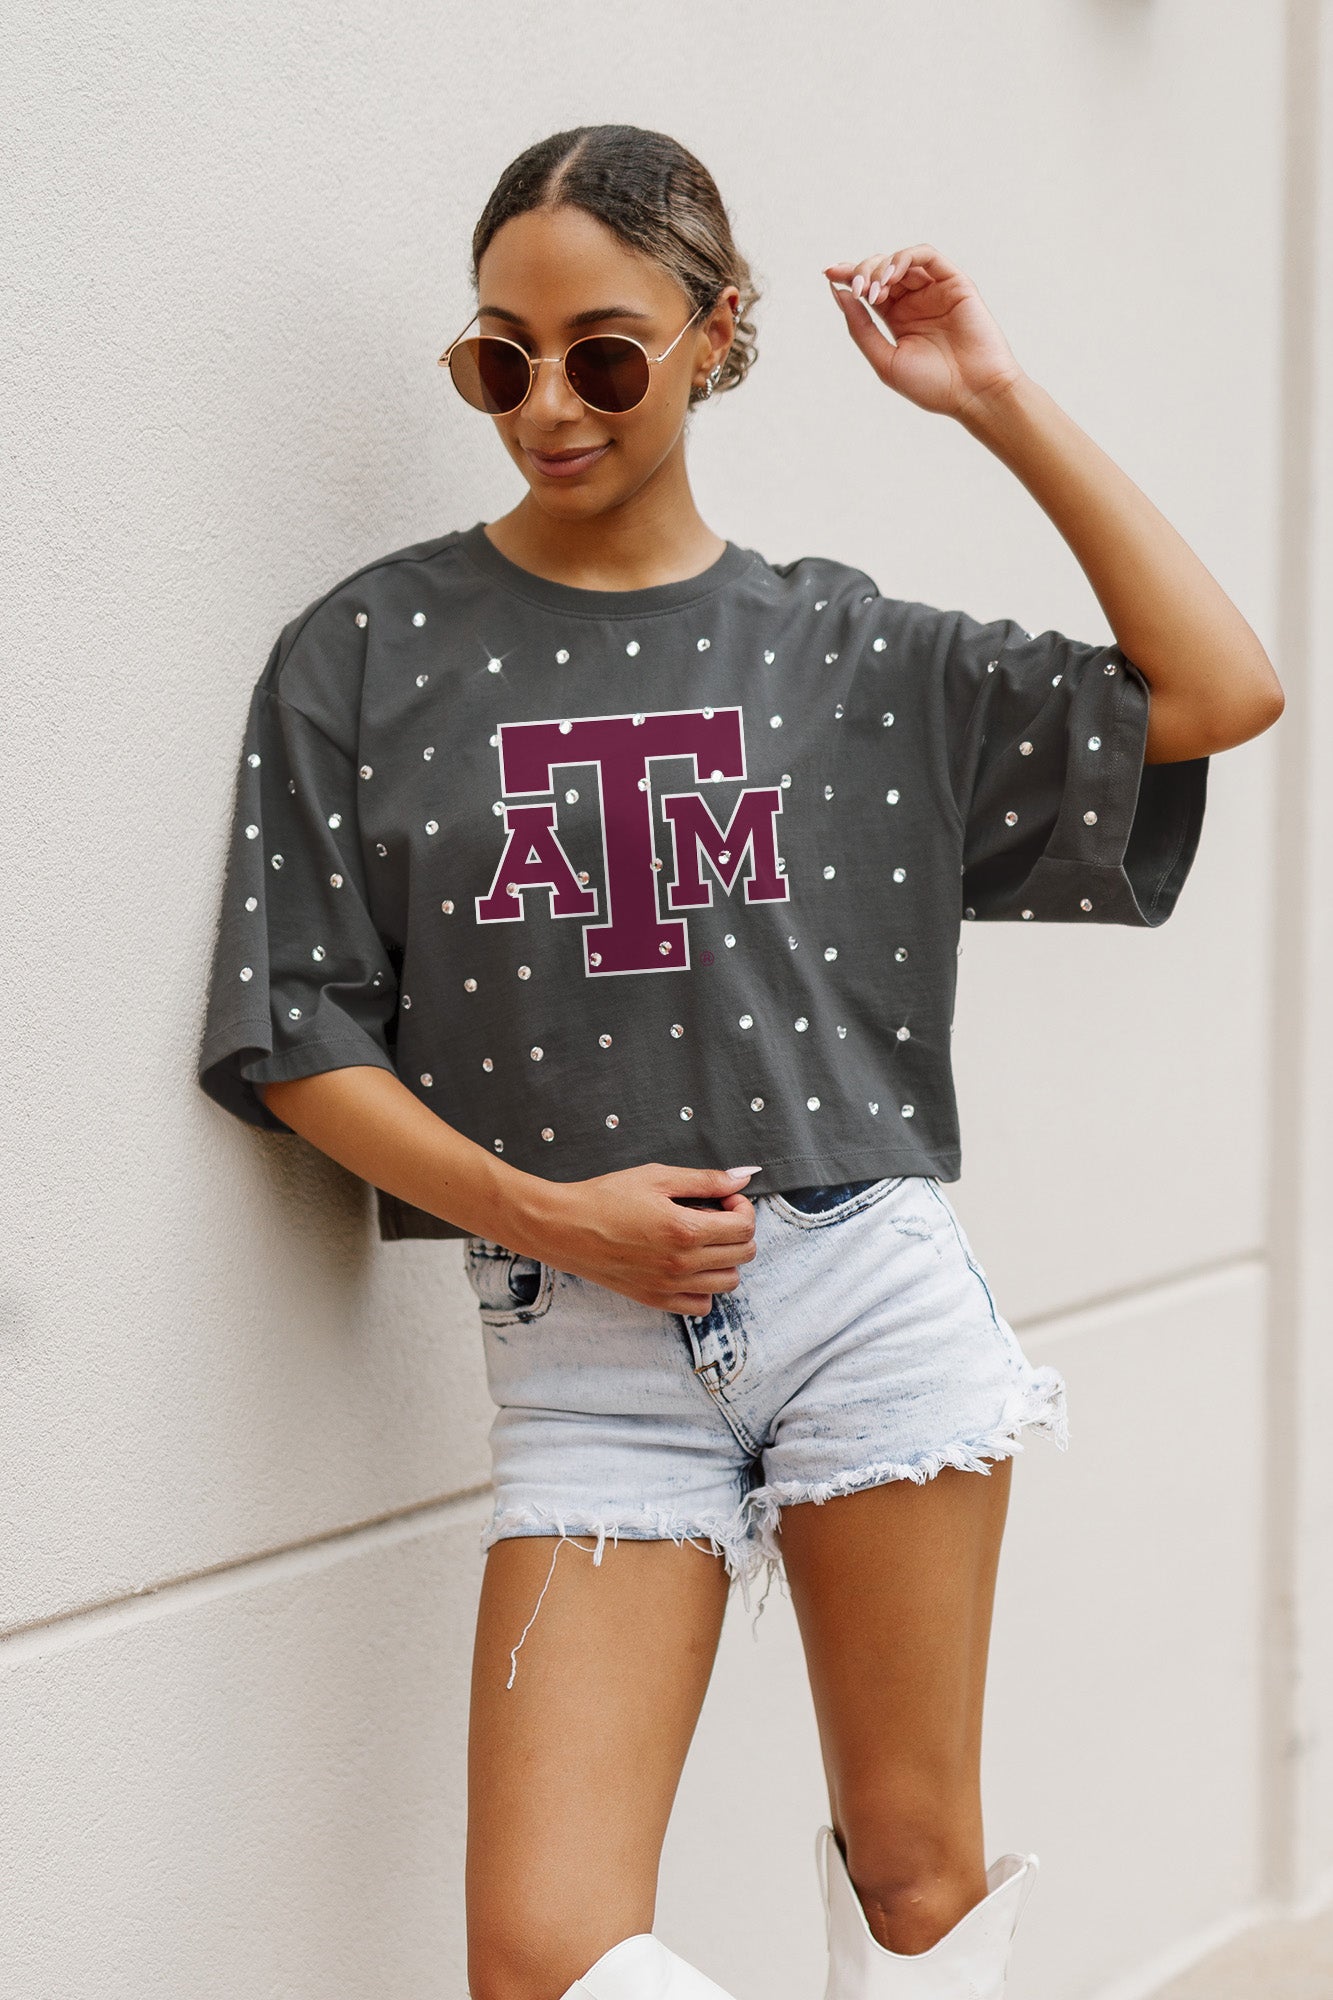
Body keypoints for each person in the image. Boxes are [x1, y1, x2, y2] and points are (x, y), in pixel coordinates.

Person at [196, 124, 1283, 2000]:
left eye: (603, 353)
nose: (546, 403)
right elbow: (294, 1029)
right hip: (578, 1342)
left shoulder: (848, 652)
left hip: (864, 1294)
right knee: (542, 1951)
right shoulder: (362, 653)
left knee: (918, 1886)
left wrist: (991, 400)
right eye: (497, 356)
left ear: (713, 337)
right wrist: (545, 1211)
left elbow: (1217, 689)